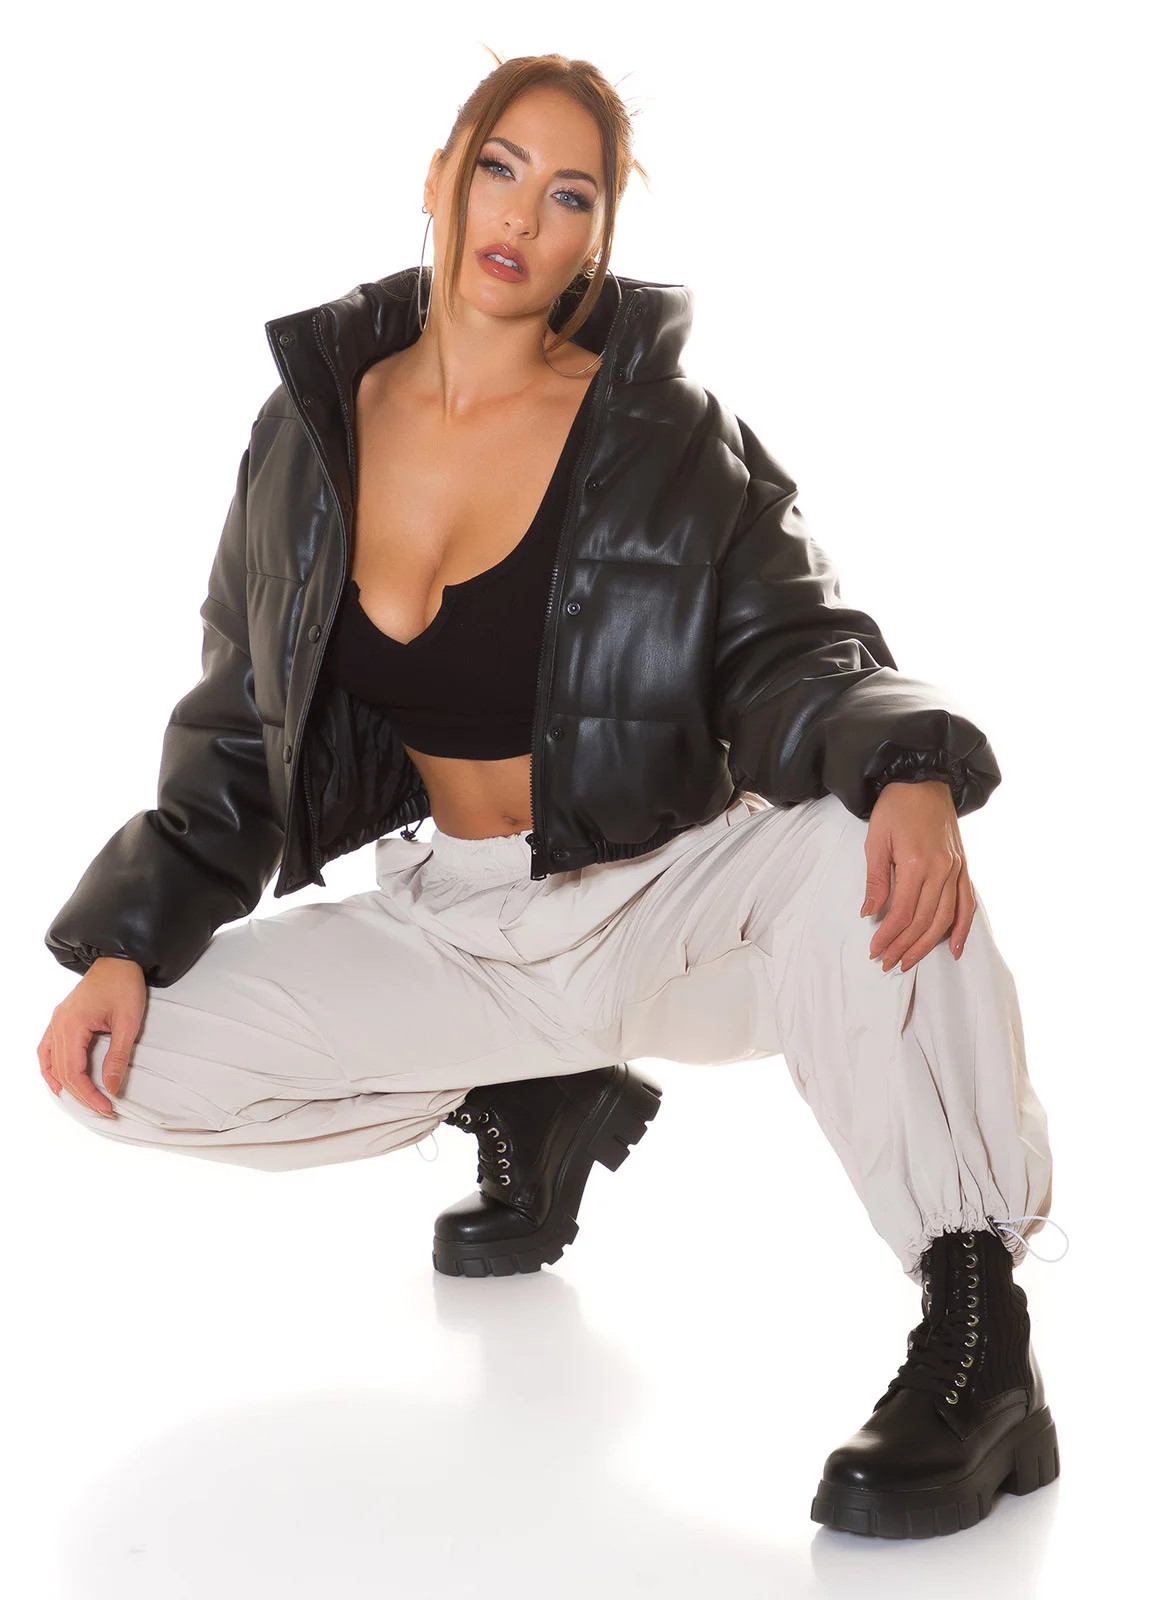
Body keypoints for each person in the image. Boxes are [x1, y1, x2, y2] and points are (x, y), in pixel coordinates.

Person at [37, 52, 1063, 1538]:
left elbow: (794, 641)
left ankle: (979, 1337)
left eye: (570, 193)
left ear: (596, 238)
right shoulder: (309, 434)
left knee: (877, 853)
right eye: (501, 168)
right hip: (450, 924)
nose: (523, 213)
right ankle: (530, 1089)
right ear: (442, 177)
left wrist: (906, 762)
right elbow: (237, 726)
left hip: (667, 900)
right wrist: (128, 937)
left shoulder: (661, 433)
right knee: (120, 1067)